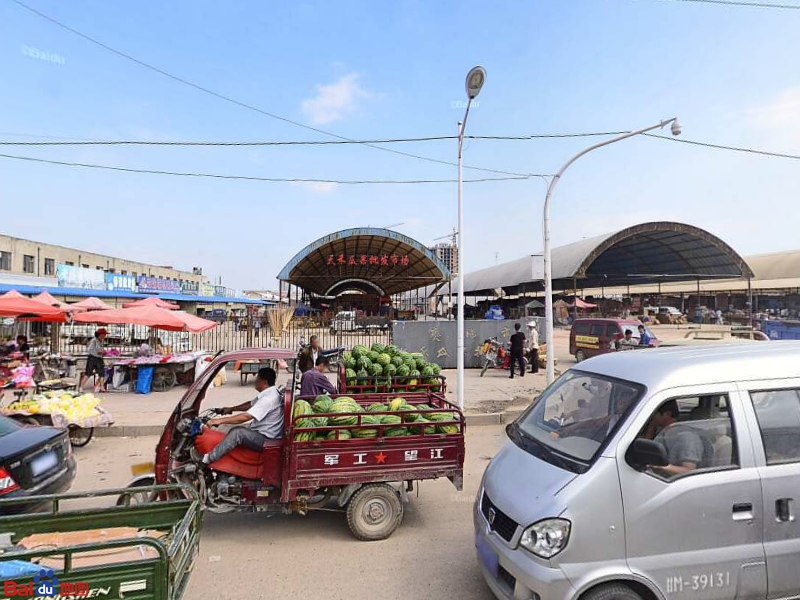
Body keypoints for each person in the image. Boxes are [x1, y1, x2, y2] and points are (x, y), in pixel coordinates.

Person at [197, 367, 283, 465]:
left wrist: (217, 421)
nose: (255, 381)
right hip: (262, 431)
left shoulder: (268, 399)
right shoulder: (270, 394)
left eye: (257, 378)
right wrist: (231, 409)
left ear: (264, 381)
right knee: (229, 428)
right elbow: (250, 404)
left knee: (237, 432)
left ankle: (207, 459)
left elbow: (246, 417)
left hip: (267, 439)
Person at [643, 400, 704, 477]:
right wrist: (651, 426)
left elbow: (689, 471)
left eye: (654, 414)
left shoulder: (686, 437)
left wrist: (661, 466)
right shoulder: (663, 431)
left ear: (667, 414)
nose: (651, 417)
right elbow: (645, 448)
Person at [80, 328, 108, 393]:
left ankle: (102, 387)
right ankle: (81, 387)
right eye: (104, 334)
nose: (105, 336)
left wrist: (103, 352)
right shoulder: (94, 340)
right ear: (100, 335)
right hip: (92, 358)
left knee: (102, 373)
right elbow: (91, 349)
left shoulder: (102, 340)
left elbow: (101, 350)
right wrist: (100, 352)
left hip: (99, 358)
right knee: (88, 373)